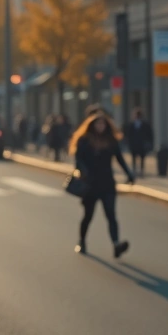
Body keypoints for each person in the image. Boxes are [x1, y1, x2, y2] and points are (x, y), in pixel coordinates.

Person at [70, 112, 135, 257]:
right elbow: (78, 160)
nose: (100, 126)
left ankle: (116, 244)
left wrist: (129, 173)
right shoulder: (84, 140)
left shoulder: (111, 140)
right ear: (92, 126)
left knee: (111, 215)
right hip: (90, 184)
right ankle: (82, 241)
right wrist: (84, 171)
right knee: (88, 215)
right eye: (98, 124)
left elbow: (120, 159)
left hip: (107, 183)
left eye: (103, 124)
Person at [124, 108, 154, 177]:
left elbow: (149, 134)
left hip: (141, 144)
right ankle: (134, 170)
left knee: (142, 158)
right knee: (134, 157)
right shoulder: (131, 124)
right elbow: (128, 134)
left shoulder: (145, 124)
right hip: (134, 144)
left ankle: (141, 171)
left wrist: (148, 143)